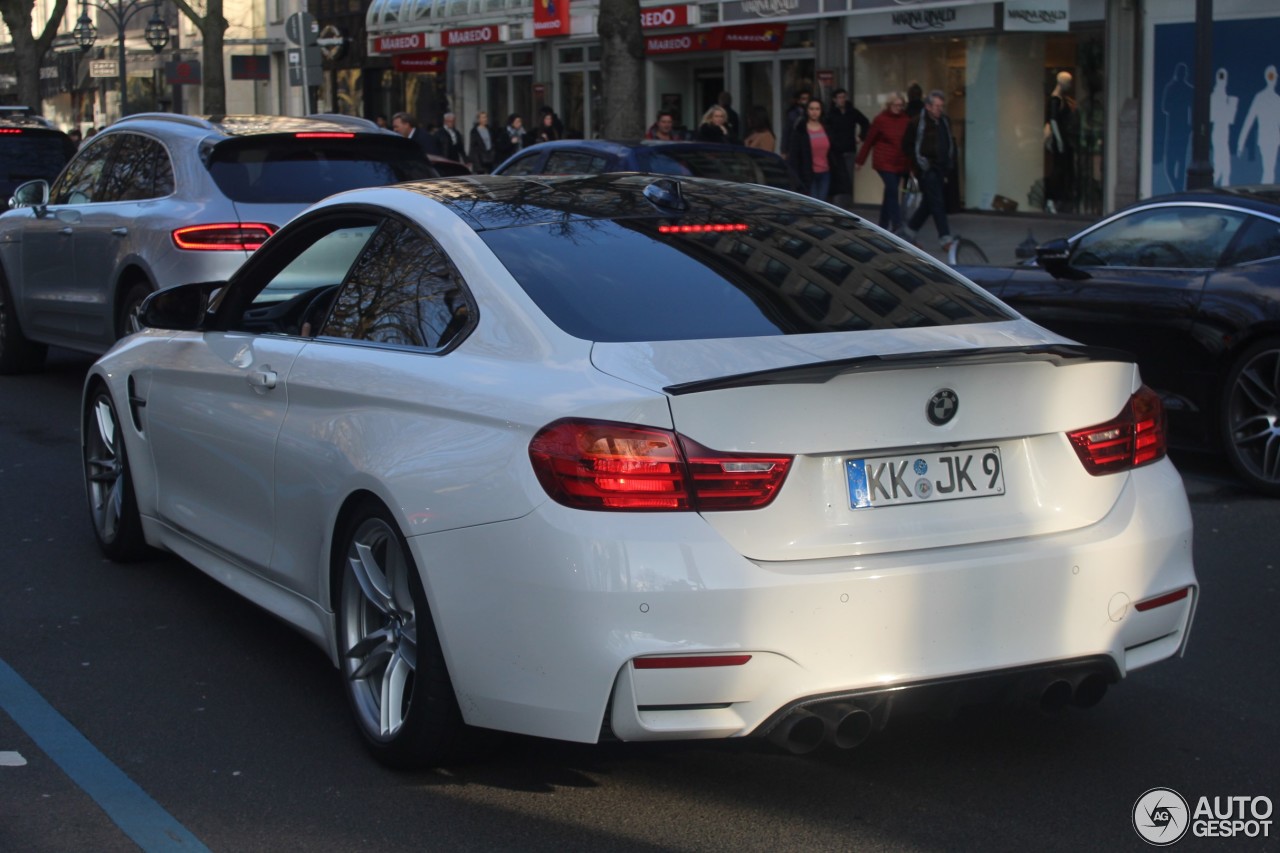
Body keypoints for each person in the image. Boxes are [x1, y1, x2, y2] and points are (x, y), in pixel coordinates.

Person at [899, 89, 957, 251]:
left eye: (941, 106)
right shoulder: (917, 122)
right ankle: (945, 238)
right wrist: (919, 163)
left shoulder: (944, 121)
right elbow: (907, 145)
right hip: (926, 168)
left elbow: (948, 142)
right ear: (928, 107)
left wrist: (948, 164)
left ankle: (907, 234)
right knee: (937, 202)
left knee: (928, 203)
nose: (940, 109)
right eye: (937, 106)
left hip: (941, 167)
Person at [855, 93, 911, 232]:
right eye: (896, 105)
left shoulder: (906, 119)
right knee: (892, 190)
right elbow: (869, 141)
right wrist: (860, 161)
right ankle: (897, 224)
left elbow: (909, 141)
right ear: (889, 105)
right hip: (884, 161)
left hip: (900, 161)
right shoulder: (880, 120)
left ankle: (882, 226)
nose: (899, 108)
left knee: (889, 193)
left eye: (901, 105)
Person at [826, 88, 870, 207]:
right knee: (837, 178)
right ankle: (835, 204)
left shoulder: (852, 112)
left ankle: (846, 205)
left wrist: (860, 137)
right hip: (835, 151)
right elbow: (827, 131)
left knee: (848, 179)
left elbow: (865, 122)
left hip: (849, 149)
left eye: (844, 97)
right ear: (834, 99)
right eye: (840, 97)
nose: (842, 100)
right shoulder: (830, 114)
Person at [1044, 71, 1077, 213]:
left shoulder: (1062, 99)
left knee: (1063, 169)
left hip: (1064, 139)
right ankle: (1051, 199)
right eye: (1068, 82)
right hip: (1061, 139)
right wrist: (1059, 140)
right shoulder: (1055, 100)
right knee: (1058, 169)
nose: (1070, 85)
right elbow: (1053, 120)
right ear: (1062, 82)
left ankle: (1059, 199)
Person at [788, 98, 834, 201]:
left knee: (822, 204)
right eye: (811, 109)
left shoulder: (827, 128)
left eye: (817, 109)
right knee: (812, 203)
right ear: (807, 111)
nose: (814, 112)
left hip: (825, 172)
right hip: (808, 174)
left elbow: (833, 150)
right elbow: (795, 154)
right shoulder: (801, 129)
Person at [780, 89, 811, 160]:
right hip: (795, 146)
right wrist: (784, 150)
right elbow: (786, 132)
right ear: (798, 100)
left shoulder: (811, 113)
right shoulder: (792, 114)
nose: (806, 101)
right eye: (803, 99)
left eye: (808, 99)